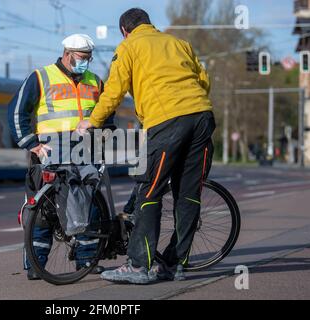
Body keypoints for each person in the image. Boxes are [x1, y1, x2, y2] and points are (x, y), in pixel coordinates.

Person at [77, 8, 216, 284]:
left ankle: (140, 265)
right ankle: (176, 264)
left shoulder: (129, 46)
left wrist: (91, 122)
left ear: (124, 31)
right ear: (150, 25)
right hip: (202, 117)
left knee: (148, 190)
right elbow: (203, 80)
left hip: (166, 121)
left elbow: (114, 91)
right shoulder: (179, 43)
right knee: (188, 195)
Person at [8, 34, 107, 280]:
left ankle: (86, 261)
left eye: (89, 58)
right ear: (67, 53)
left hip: (84, 154)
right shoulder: (40, 77)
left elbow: (107, 113)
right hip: (49, 154)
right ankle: (35, 265)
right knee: (42, 213)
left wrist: (105, 134)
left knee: (88, 208)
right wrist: (31, 144)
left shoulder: (95, 81)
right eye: (82, 58)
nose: (86, 63)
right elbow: (17, 111)